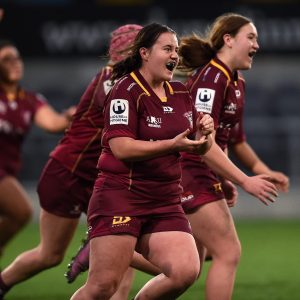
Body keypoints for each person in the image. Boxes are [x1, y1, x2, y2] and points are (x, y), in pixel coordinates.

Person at [0, 24, 152, 300]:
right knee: (50, 254)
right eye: (145, 48)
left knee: (124, 246)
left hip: (97, 179)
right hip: (68, 174)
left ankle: (95, 247)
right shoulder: (114, 81)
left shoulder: (129, 81)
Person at [70, 22, 216, 300]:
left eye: (176, 50)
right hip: (121, 195)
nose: (174, 55)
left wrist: (205, 133)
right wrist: (171, 145)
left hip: (164, 200)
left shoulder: (181, 93)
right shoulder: (125, 91)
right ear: (145, 53)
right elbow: (121, 148)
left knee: (185, 271)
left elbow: (199, 148)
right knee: (102, 287)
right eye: (167, 48)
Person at [178, 12, 283, 300]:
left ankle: (118, 253)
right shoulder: (212, 78)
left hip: (201, 172)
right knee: (227, 251)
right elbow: (203, 143)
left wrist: (226, 178)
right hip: (189, 170)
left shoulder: (235, 82)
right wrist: (245, 180)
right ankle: (115, 251)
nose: (256, 45)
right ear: (228, 39)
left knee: (188, 268)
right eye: (251, 37)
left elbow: (229, 139)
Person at [0, 39, 75, 260]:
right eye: (6, 59)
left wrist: (70, 116)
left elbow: (53, 123)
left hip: (7, 171)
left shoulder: (30, 100)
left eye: (17, 58)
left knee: (20, 213)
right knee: (22, 211)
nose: (15, 63)